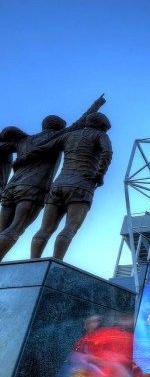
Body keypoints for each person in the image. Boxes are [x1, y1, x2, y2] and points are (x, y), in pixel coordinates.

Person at [0, 96, 104, 261]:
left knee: (3, 231)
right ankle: (37, 264)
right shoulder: (57, 137)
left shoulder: (24, 141)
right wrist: (97, 104)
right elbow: (81, 122)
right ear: (60, 127)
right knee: (15, 229)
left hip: (11, 187)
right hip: (33, 189)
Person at [30, 112, 112, 260]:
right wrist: (99, 175)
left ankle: (33, 262)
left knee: (45, 229)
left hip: (58, 184)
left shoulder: (68, 136)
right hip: (82, 184)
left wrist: (24, 156)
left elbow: (42, 148)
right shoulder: (100, 135)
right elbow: (107, 152)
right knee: (70, 229)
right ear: (103, 126)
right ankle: (56, 262)